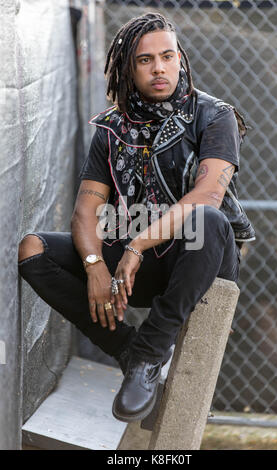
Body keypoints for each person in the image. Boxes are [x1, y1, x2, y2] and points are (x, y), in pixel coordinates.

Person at [18, 12, 255, 423]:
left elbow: (209, 195)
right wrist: (94, 266)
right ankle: (129, 349)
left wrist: (136, 244)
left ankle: (148, 355)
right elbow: (85, 211)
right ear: (129, 67)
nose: (159, 67)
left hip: (200, 261)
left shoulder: (215, 116)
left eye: (167, 56)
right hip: (137, 267)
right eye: (146, 60)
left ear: (180, 58)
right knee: (33, 250)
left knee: (208, 221)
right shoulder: (112, 129)